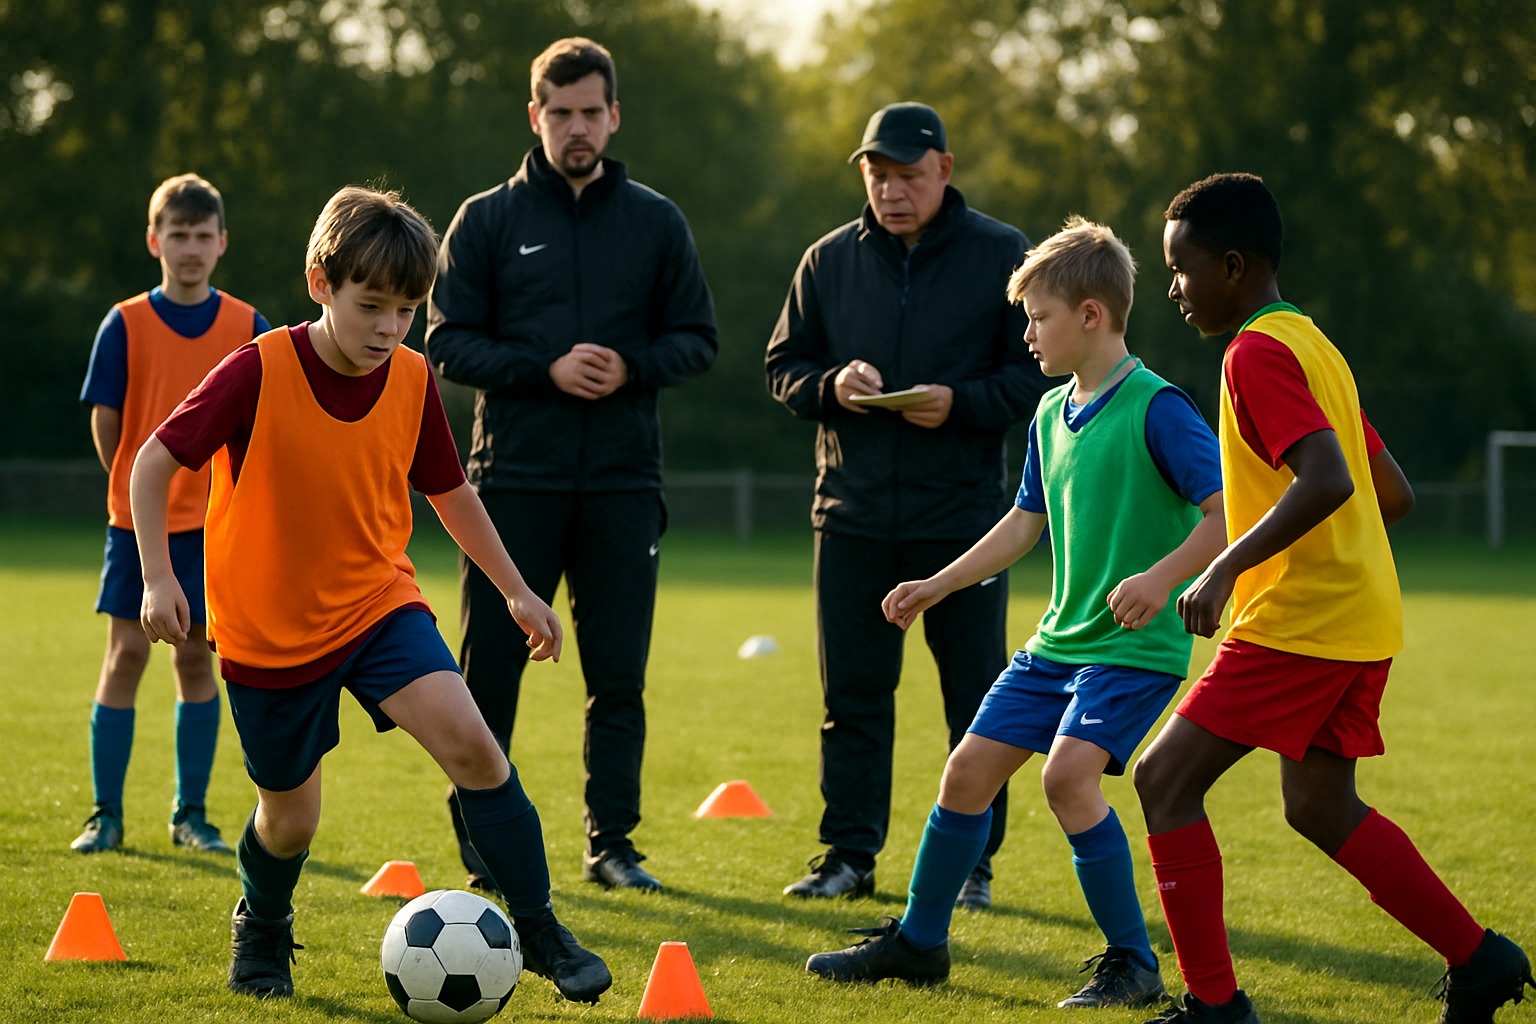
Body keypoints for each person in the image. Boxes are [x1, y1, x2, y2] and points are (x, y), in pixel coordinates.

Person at [131, 186, 611, 1004]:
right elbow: (152, 462)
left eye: (408, 310)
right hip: (267, 629)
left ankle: (538, 927)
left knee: (475, 747)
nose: (390, 329)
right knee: (290, 821)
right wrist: (157, 576)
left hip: (377, 603)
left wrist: (519, 593)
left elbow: (451, 492)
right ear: (321, 283)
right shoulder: (257, 368)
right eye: (372, 307)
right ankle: (265, 927)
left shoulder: (414, 378)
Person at [1135, 173, 1533, 1024]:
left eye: (1182, 268)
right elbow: (1390, 492)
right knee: (1319, 805)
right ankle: (1483, 959)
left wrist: (1227, 566)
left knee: (1164, 780)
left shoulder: (1254, 352)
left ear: (1233, 266)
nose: (1173, 287)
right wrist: (1328, 551)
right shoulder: (1315, 344)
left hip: (1305, 622)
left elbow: (1328, 478)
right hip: (1362, 619)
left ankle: (1214, 1006)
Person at [804, 218, 1225, 1009]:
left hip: (1132, 650)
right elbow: (1022, 526)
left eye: (1039, 318)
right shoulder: (1047, 414)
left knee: (1068, 780)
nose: (1026, 333)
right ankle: (921, 945)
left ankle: (1132, 963)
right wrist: (937, 583)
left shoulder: (1157, 407)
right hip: (1059, 646)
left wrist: (1160, 580)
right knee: (965, 774)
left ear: (1092, 315)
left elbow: (1223, 512)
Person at [427, 37, 716, 893]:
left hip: (626, 485)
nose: (577, 127)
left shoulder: (657, 221)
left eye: (592, 111)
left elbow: (698, 340)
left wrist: (631, 366)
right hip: (513, 483)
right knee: (488, 677)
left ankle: (612, 846)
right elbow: (444, 342)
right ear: (535, 117)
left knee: (618, 678)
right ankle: (483, 852)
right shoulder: (487, 219)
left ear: (614, 115)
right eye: (561, 113)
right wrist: (543, 368)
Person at [765, 102, 1045, 905]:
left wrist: (959, 401)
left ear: (944, 171)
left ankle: (973, 868)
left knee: (978, 703)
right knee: (850, 700)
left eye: (908, 175)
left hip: (962, 522)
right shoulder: (826, 261)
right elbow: (783, 366)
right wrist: (830, 386)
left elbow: (1036, 372)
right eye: (877, 175)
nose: (891, 191)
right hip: (848, 516)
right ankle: (847, 858)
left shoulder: (1003, 255)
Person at [73, 173, 271, 855]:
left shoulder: (248, 326)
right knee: (125, 653)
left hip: (216, 528)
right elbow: (107, 421)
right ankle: (106, 815)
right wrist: (139, 491)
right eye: (177, 236)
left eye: (202, 236)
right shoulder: (124, 322)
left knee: (196, 662)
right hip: (137, 527)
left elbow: (265, 423)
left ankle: (191, 816)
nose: (190, 248)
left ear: (222, 243)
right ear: (155, 241)